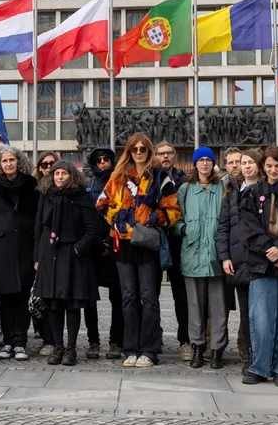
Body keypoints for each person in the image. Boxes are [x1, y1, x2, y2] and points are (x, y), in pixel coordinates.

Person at [227, 146, 278, 387]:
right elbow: (248, 228)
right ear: (263, 166)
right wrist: (270, 251)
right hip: (261, 265)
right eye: (269, 165)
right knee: (261, 317)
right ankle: (259, 366)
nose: (273, 170)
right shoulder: (252, 194)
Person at [97, 133, 181, 369]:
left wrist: (151, 217)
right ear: (129, 151)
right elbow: (101, 204)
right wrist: (120, 219)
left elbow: (173, 210)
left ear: (150, 150)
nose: (139, 152)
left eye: (143, 148)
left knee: (148, 297)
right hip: (122, 243)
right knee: (128, 297)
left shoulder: (160, 176)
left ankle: (150, 349)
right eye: (135, 148)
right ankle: (130, 348)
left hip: (147, 243)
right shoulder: (118, 176)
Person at [34, 160, 102, 366]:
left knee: (72, 304)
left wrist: (78, 248)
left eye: (64, 173)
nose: (60, 177)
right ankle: (58, 346)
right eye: (56, 174)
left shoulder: (82, 197)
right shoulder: (46, 196)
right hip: (49, 253)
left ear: (72, 176)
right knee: (53, 304)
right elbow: (38, 227)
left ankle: (71, 349)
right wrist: (37, 256)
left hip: (72, 255)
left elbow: (93, 229)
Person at [0, 146, 39, 360]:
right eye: (4, 161)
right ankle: (7, 341)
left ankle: (21, 341)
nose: (8, 164)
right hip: (0, 248)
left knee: (23, 295)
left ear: (18, 161)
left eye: (12, 160)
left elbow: (37, 218)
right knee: (5, 297)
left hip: (25, 246)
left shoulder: (31, 186)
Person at [177, 147, 227, 369]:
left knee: (218, 305)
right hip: (192, 254)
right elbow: (175, 218)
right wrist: (184, 229)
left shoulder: (223, 188)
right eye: (201, 160)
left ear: (213, 164)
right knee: (194, 305)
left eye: (208, 160)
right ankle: (197, 347)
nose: (205, 163)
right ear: (195, 164)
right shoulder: (185, 190)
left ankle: (217, 349)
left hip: (217, 255)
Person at [220, 146, 261, 365]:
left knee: (263, 310)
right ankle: (251, 354)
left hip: (263, 261)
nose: (244, 166)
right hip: (239, 260)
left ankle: (266, 353)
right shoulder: (231, 192)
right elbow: (224, 227)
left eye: (248, 162)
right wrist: (225, 256)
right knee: (246, 311)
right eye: (241, 163)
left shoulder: (267, 189)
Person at [154, 141, 191, 362]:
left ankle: (184, 340)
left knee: (181, 295)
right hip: (156, 241)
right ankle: (155, 336)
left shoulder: (184, 180)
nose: (165, 157)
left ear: (174, 155)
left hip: (178, 242)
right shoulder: (151, 178)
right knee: (152, 293)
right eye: (161, 153)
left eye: (168, 153)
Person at [85, 145, 123, 360]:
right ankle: (93, 341)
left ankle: (116, 341)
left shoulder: (120, 184)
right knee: (90, 299)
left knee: (117, 298)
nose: (102, 163)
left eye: (106, 159)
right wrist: (97, 242)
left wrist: (110, 240)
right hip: (93, 248)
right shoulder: (88, 186)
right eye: (99, 160)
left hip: (115, 246)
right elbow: (85, 218)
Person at [32, 149, 60, 356]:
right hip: (41, 249)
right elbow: (37, 228)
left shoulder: (68, 188)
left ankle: (58, 340)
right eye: (44, 165)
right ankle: (47, 338)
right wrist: (36, 256)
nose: (48, 168)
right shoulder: (37, 191)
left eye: (52, 164)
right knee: (40, 298)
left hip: (62, 250)